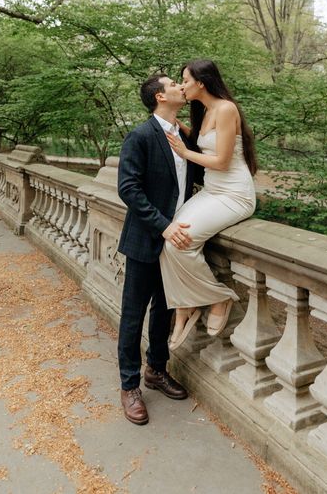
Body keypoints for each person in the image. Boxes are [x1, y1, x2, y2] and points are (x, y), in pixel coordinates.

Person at [117, 73, 202, 425]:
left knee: (164, 310)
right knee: (134, 314)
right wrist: (164, 225)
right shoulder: (140, 136)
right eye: (173, 85)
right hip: (146, 238)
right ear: (159, 96)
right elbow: (128, 188)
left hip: (177, 243)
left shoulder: (182, 134)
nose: (181, 87)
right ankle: (129, 386)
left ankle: (157, 370)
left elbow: (195, 179)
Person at [162, 59, 257, 350]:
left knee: (182, 241)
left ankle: (217, 298)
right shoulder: (205, 111)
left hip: (234, 194)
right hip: (212, 191)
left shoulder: (226, 109)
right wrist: (177, 125)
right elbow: (204, 142)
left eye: (185, 80)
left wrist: (183, 152)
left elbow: (222, 160)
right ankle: (184, 305)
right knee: (168, 239)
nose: (182, 86)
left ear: (201, 82)